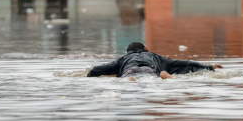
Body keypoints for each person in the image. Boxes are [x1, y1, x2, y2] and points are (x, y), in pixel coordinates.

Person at [87, 42, 223, 80]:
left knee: (125, 79)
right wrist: (208, 67)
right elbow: (185, 63)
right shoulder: (156, 56)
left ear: (128, 52)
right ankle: (166, 76)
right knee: (156, 77)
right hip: (150, 70)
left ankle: (129, 80)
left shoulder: (123, 59)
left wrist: (89, 74)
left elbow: (96, 70)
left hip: (130, 70)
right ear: (145, 49)